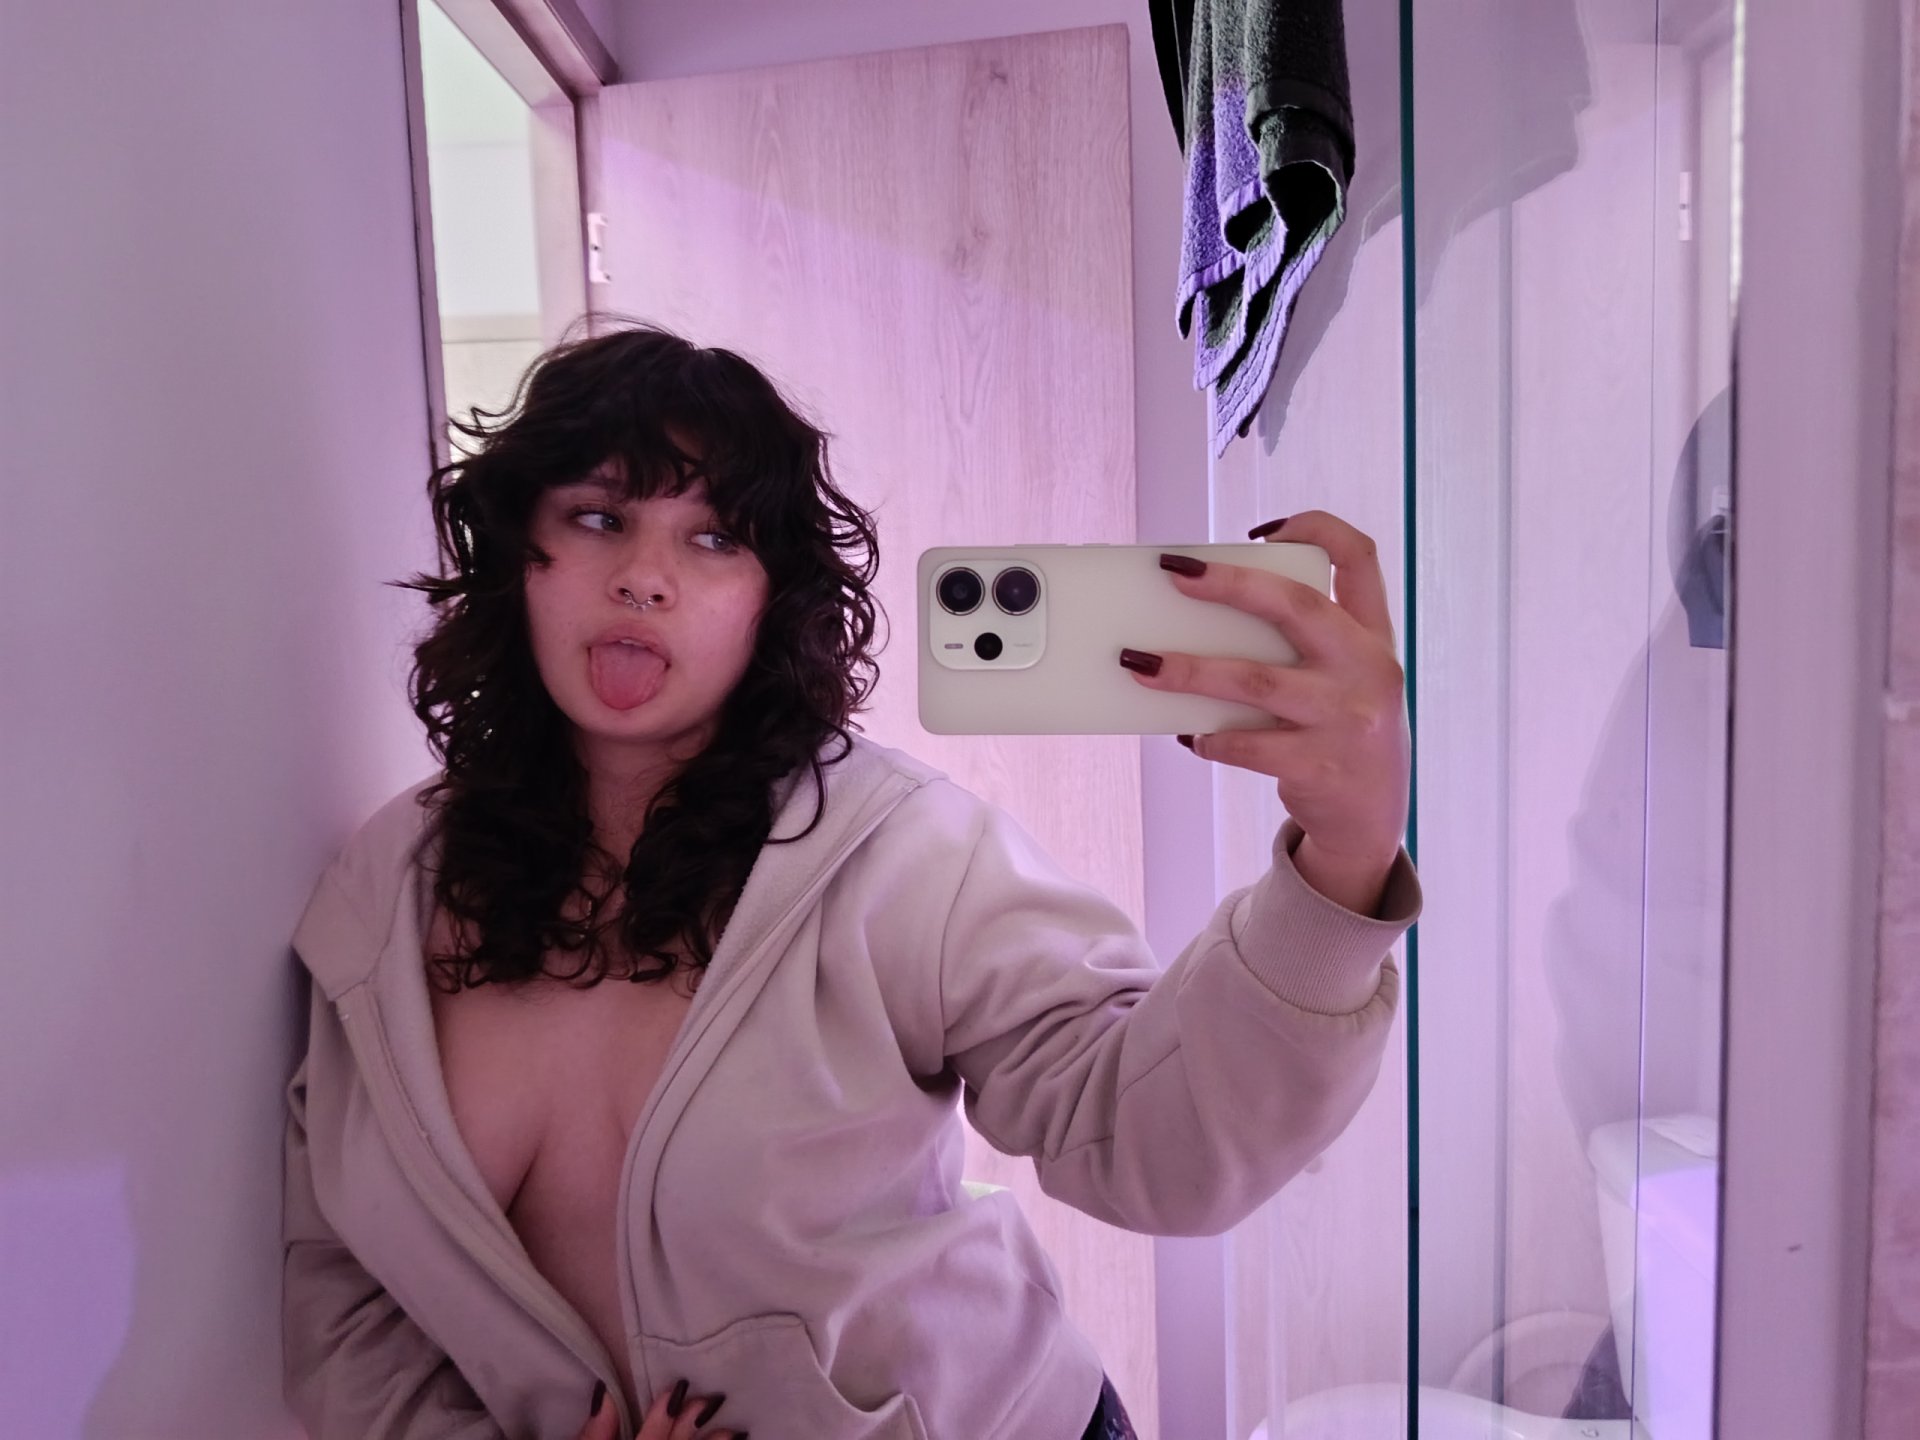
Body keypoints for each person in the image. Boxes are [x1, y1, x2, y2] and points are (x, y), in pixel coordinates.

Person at [280, 324, 1421, 1440]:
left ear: (772, 598)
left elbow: (1154, 1143)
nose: (643, 580)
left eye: (714, 538)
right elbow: (343, 1291)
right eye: (597, 518)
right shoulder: (387, 893)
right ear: (513, 554)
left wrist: (1343, 862)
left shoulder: (898, 852)